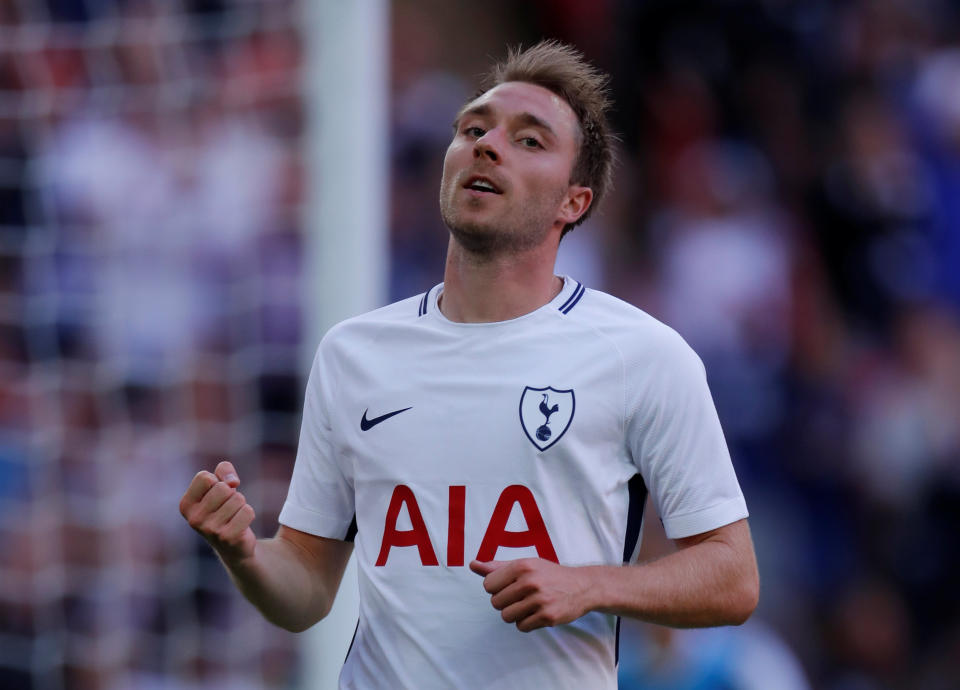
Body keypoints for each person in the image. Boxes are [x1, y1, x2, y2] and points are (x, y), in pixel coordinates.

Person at [179, 40, 759, 689]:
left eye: (529, 141)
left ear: (574, 201)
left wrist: (590, 586)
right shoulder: (353, 353)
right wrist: (246, 555)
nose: (486, 145)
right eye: (473, 129)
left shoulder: (643, 356)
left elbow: (733, 578)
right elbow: (307, 587)